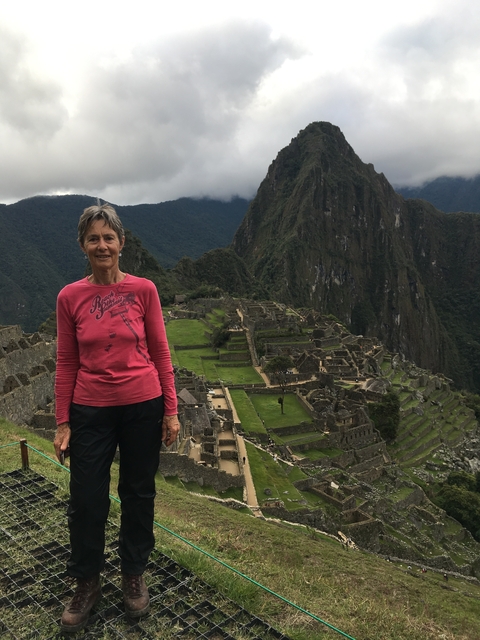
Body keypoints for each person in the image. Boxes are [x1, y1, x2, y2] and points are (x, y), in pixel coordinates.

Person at [53, 203, 180, 633]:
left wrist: (171, 410)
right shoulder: (69, 297)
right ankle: (87, 580)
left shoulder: (144, 290)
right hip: (91, 408)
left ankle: (132, 573)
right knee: (87, 497)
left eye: (109, 238)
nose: (102, 245)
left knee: (138, 493)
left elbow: (161, 351)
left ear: (122, 244)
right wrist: (62, 421)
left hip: (143, 402)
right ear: (84, 246)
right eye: (94, 238)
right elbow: (67, 361)